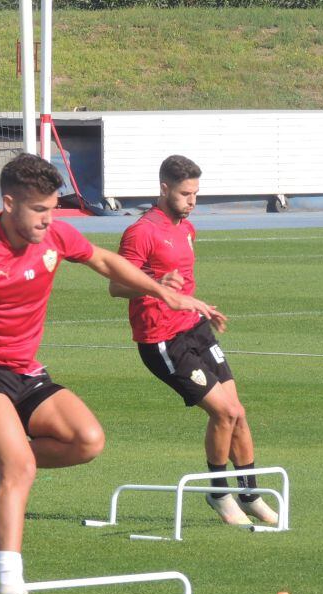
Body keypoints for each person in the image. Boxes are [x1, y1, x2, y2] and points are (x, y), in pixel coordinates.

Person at [0, 153, 220, 594]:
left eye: (53, 208)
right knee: (20, 465)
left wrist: (164, 293)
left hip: (26, 372)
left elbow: (103, 260)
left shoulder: (56, 235)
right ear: (10, 202)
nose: (48, 220)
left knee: (87, 440)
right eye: (39, 210)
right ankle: (9, 587)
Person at [110, 155, 278, 528]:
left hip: (194, 327)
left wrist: (201, 308)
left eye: (196, 194)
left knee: (239, 413)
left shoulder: (187, 228)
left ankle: (250, 494)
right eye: (186, 193)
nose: (192, 201)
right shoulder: (141, 232)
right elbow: (116, 285)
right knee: (225, 413)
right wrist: (154, 285)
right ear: (164, 188)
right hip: (162, 341)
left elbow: (184, 283)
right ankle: (219, 493)